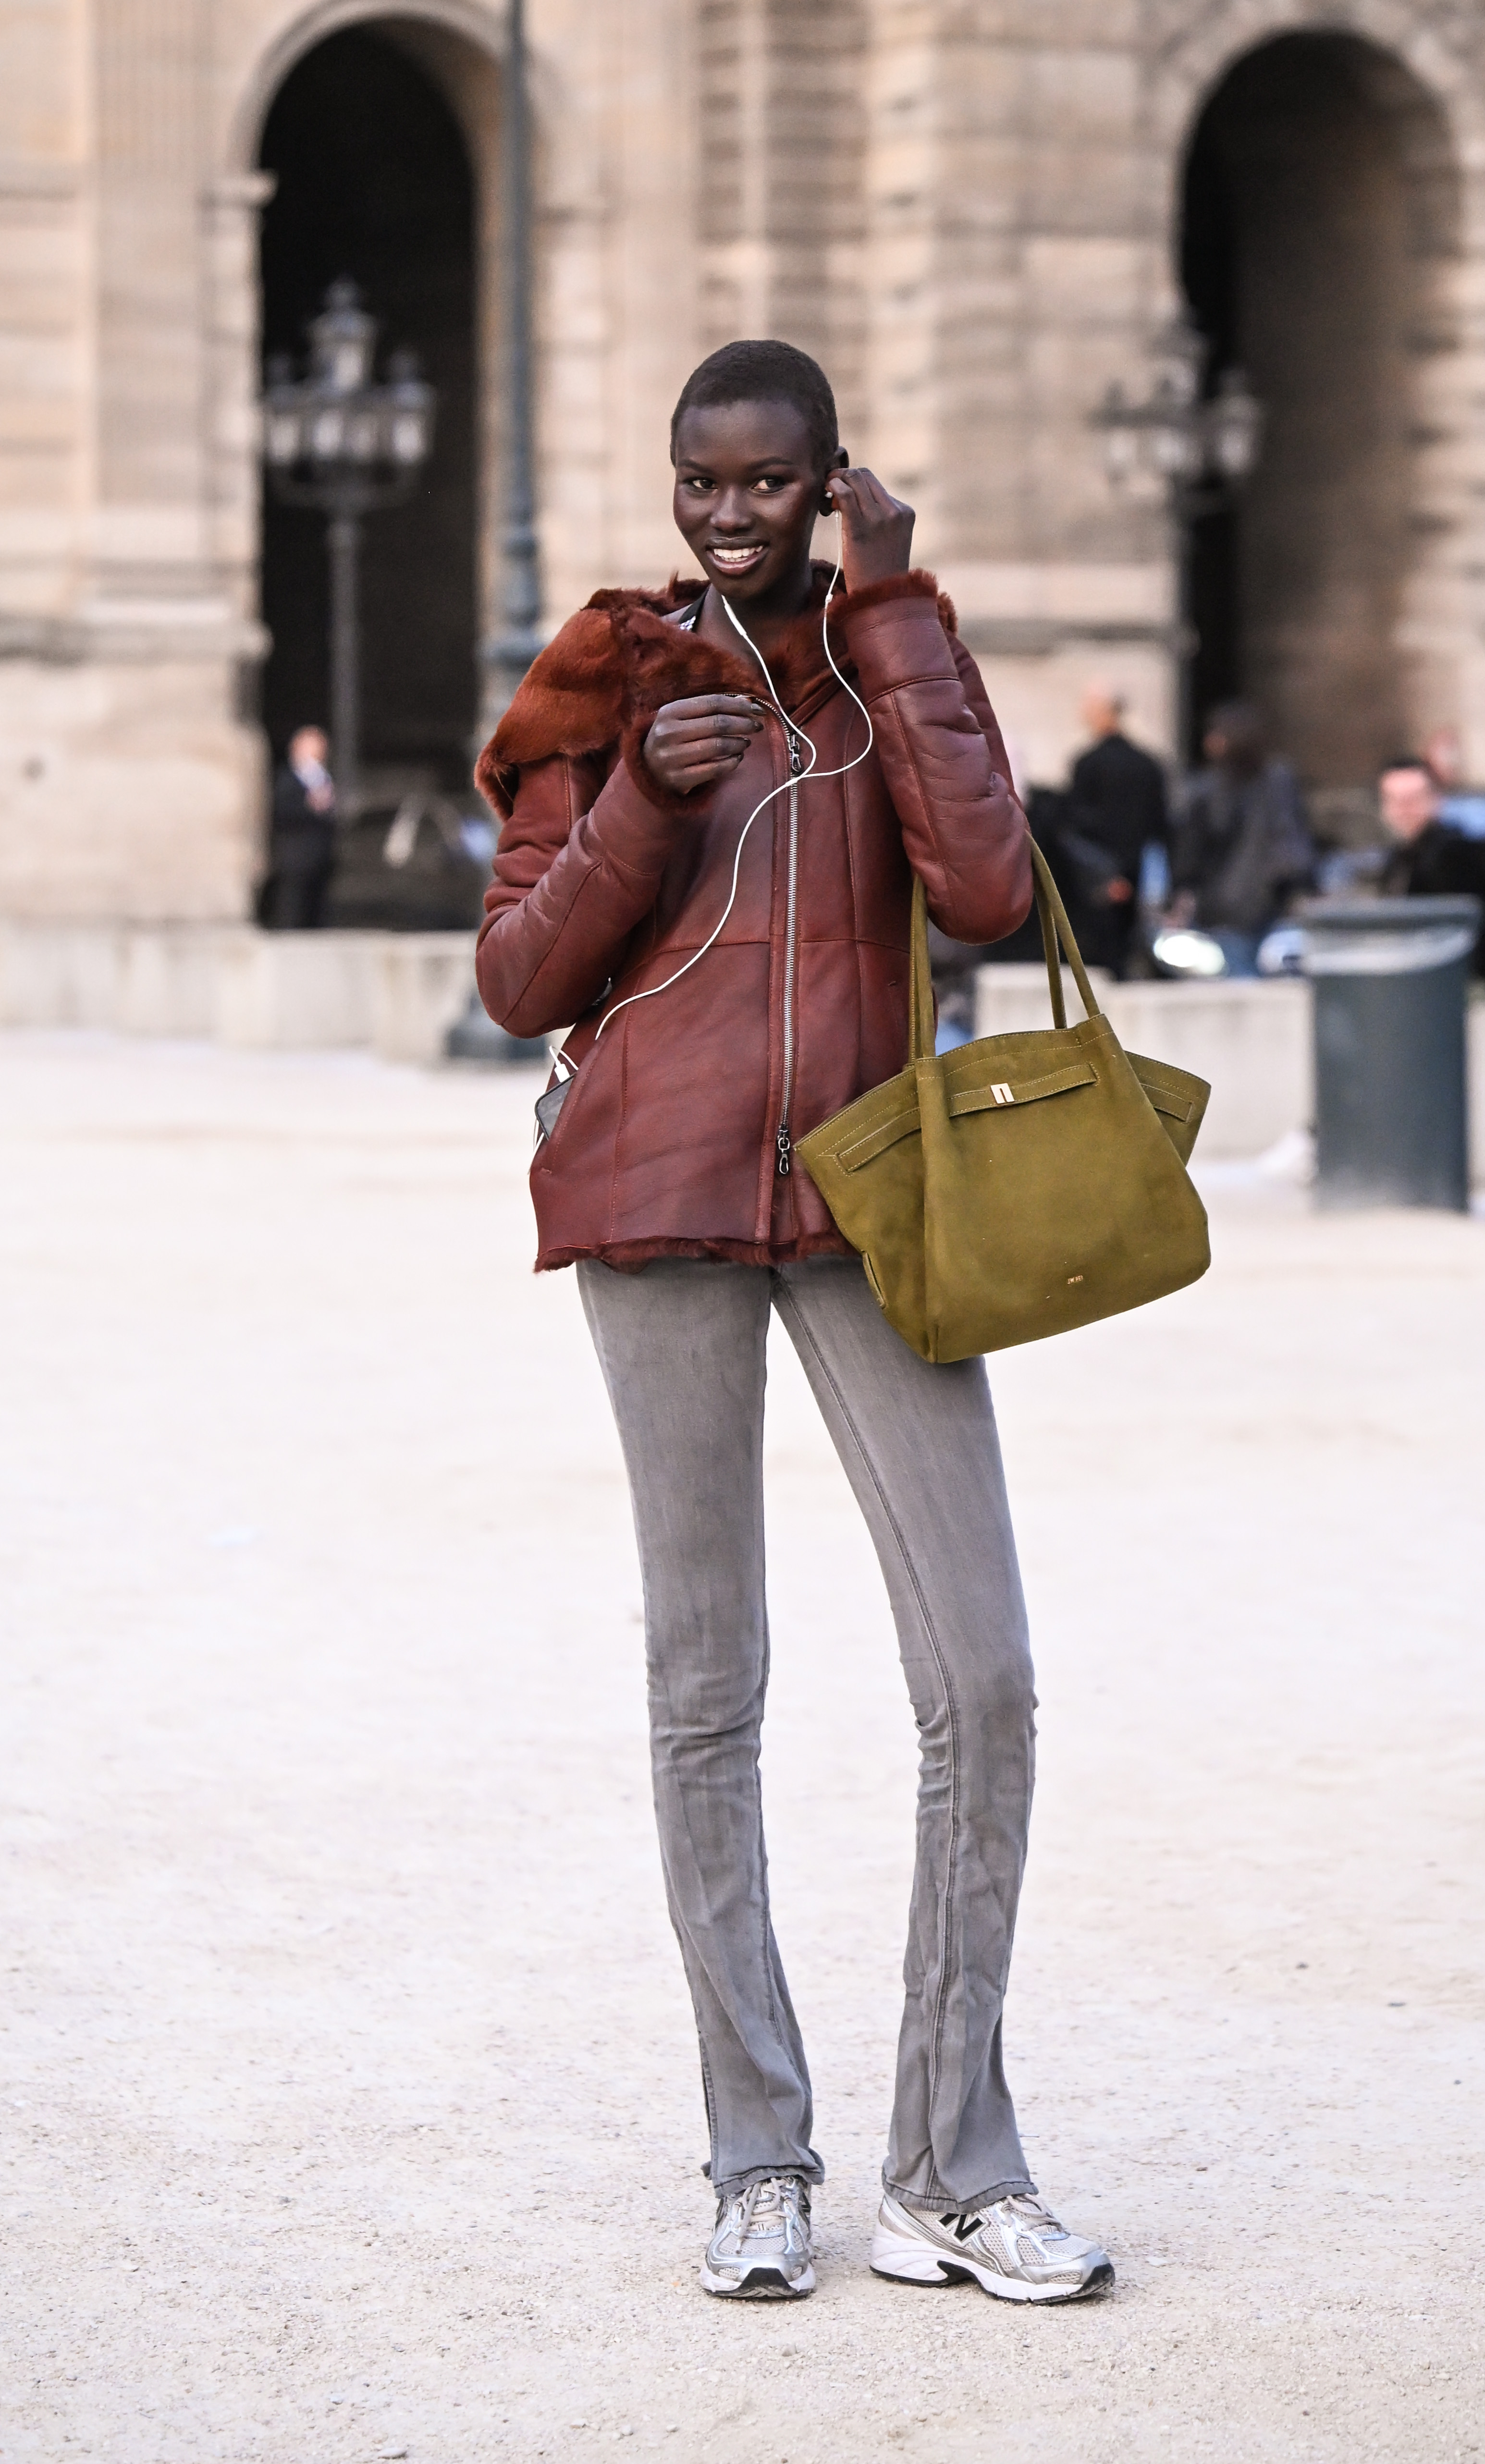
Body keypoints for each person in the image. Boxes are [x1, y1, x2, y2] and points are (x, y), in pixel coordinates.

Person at [473, 340, 1114, 2308]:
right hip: (655, 1201)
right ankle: (759, 2153)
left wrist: (904, 612)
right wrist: (638, 822)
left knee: (984, 1674)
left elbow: (991, 890)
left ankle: (952, 2162)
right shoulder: (608, 679)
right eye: (700, 480)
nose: (729, 511)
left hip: (869, 1199)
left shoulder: (878, 657)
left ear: (827, 482)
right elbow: (516, 977)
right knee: (704, 1688)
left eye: (766, 481)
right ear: (673, 485)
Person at [1168, 700, 1315, 974]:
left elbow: (1190, 854)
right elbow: (1292, 843)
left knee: (1235, 980)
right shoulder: (1278, 779)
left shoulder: (1208, 790)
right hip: (1270, 902)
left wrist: (1182, 895)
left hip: (1225, 908)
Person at [1377, 755, 1485, 996]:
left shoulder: (1454, 855)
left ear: (1436, 799)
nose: (1404, 810)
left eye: (1413, 799)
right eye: (1395, 800)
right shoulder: (1398, 861)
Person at [1055, 684, 1169, 977]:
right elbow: (1160, 826)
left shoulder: (1088, 764)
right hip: (1135, 878)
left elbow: (1076, 827)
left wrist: (1107, 876)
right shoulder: (1149, 765)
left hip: (1097, 882)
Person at [265, 725, 337, 929]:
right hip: (294, 856)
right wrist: (310, 806)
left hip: (319, 854)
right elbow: (281, 811)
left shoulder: (324, 778)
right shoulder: (287, 779)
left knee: (316, 909)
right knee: (291, 908)